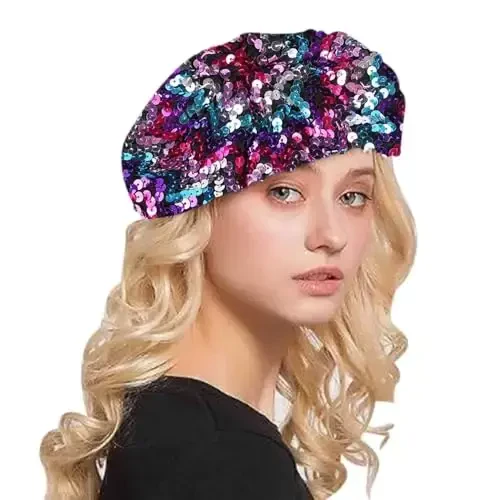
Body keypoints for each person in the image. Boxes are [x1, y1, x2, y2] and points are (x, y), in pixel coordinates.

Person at [40, 28, 415, 500]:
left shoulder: (178, 430)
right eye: (284, 192)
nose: (332, 235)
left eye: (353, 196)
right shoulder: (220, 459)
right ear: (197, 207)